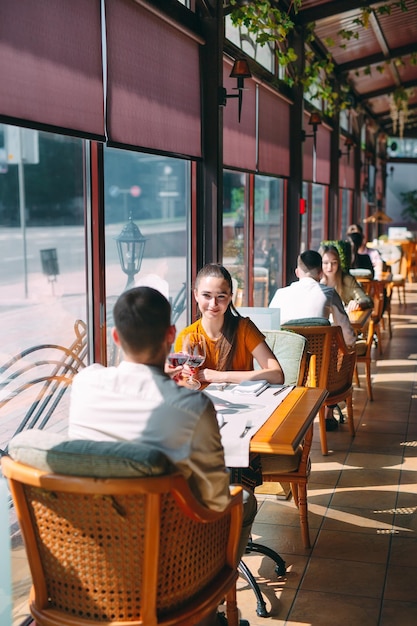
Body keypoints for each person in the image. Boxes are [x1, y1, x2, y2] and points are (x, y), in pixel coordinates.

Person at [68, 286, 257, 626]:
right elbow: (215, 502)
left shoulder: (84, 383)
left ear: (115, 336)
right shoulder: (192, 407)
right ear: (172, 335)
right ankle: (206, 609)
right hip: (169, 572)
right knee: (244, 500)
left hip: (93, 556)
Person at [175, 263, 284, 386]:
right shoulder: (188, 336)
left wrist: (221, 376)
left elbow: (277, 376)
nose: (213, 303)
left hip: (244, 401)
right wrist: (188, 373)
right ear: (196, 295)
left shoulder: (244, 328)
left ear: (230, 298)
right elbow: (183, 385)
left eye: (221, 296)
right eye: (206, 295)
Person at [269, 250, 356, 349]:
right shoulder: (329, 293)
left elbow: (269, 329)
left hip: (285, 359)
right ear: (321, 273)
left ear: (297, 272)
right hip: (320, 361)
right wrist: (351, 344)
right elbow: (346, 333)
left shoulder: (280, 294)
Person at [320, 244, 373, 312]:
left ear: (338, 263)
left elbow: (367, 300)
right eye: (325, 263)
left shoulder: (347, 280)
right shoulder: (315, 281)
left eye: (334, 263)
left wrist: (358, 303)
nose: (330, 267)